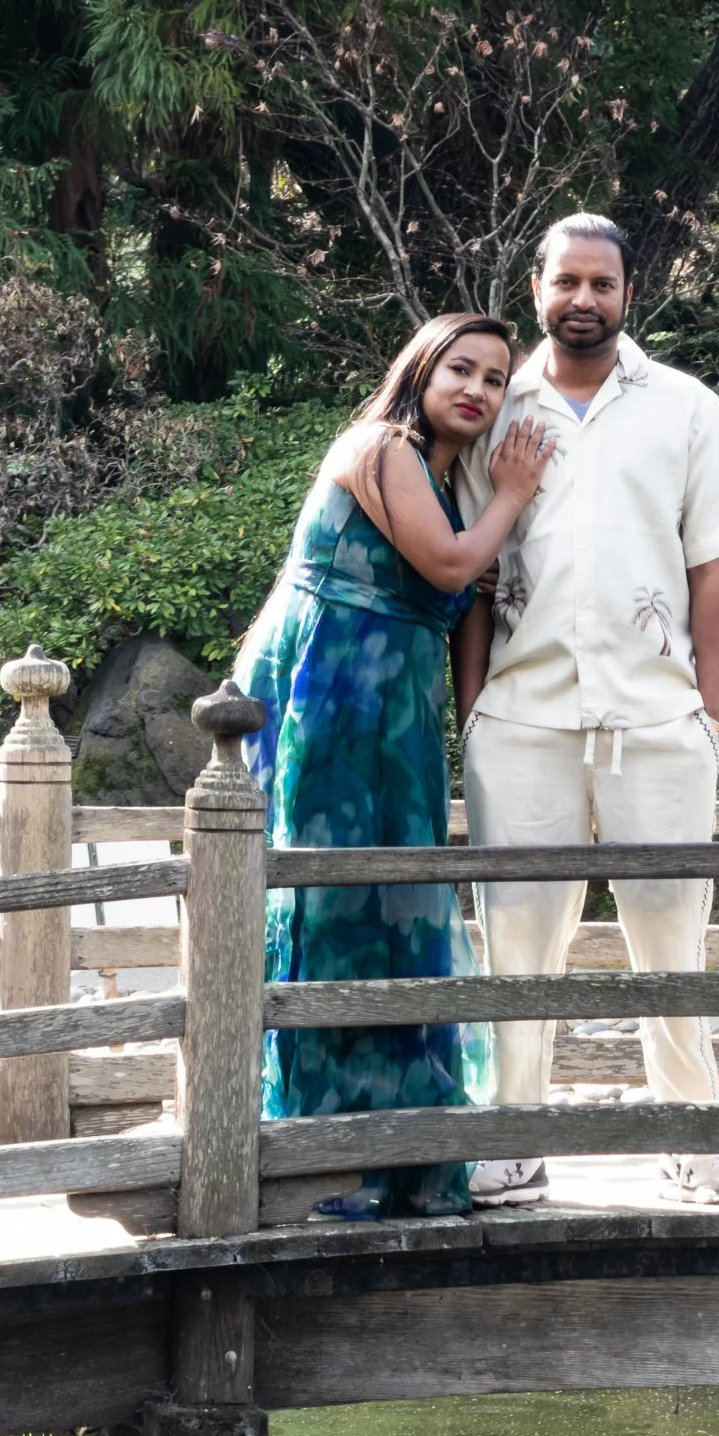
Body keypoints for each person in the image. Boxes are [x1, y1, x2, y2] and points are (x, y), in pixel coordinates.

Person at [454, 214, 719, 1208]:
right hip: (524, 718)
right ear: (536, 286)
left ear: (628, 293)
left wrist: (708, 715)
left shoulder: (683, 405)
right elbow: (469, 576)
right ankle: (512, 1142)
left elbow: (710, 569)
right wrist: (474, 713)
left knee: (672, 935)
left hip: (655, 718)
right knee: (514, 940)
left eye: (602, 281)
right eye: (566, 281)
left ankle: (691, 1141)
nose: (583, 298)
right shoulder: (495, 411)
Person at [234, 313, 556, 1217]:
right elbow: (453, 568)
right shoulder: (378, 447)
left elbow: (461, 613)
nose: (479, 391)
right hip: (331, 700)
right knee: (332, 909)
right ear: (420, 368)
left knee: (405, 912)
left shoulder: (453, 485)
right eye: (462, 368)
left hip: (399, 723)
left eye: (496, 380)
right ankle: (315, 1156)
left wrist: (473, 731)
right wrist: (516, 491)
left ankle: (404, 1153)